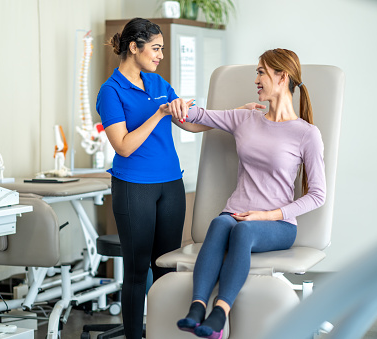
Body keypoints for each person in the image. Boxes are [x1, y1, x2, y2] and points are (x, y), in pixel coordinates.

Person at [96, 17, 262, 339]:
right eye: (155, 48)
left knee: (166, 268)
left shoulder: (159, 84)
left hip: (170, 185)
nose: (160, 55)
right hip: (134, 188)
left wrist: (238, 113)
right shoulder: (111, 91)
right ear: (134, 47)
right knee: (136, 270)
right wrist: (159, 114)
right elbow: (124, 146)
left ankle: (163, 333)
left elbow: (190, 123)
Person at [174, 48, 326, 339]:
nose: (255, 79)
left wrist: (267, 215)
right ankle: (196, 309)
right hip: (236, 212)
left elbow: (318, 194)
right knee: (220, 223)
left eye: (261, 72)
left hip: (277, 224)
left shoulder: (307, 134)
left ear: (282, 76)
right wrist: (175, 105)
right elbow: (195, 117)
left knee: (243, 233)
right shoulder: (246, 117)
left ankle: (220, 314)